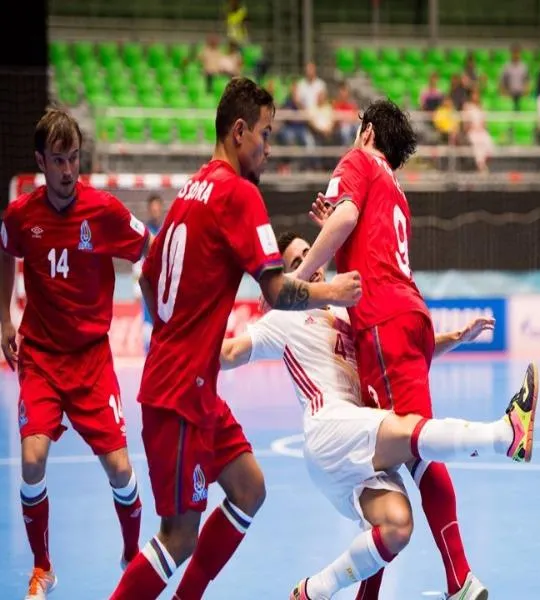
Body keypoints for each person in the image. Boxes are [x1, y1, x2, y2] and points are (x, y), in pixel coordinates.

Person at [108, 77, 362, 600]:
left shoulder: (187, 191)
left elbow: (149, 281)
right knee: (178, 537)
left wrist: (180, 333)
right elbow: (274, 292)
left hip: (191, 386)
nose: (269, 149)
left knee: (249, 488)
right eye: (266, 135)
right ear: (239, 130)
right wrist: (331, 290)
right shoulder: (238, 194)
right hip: (179, 393)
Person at [292, 100, 537, 599]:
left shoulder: (356, 162)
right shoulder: (394, 189)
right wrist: (334, 229)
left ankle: (461, 575)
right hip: (405, 319)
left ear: (367, 131)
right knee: (385, 458)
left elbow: (345, 225)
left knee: (415, 453)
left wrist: (292, 281)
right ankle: (424, 585)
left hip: (381, 322)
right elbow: (354, 235)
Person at [219, 231, 538, 600]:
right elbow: (230, 353)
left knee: (396, 527)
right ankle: (504, 436)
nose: (312, 266)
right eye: (296, 264)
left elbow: (395, 358)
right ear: (285, 282)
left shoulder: (346, 313)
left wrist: (454, 338)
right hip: (330, 429)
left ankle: (314, 591)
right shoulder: (284, 319)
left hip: (357, 441)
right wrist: (186, 345)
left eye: (310, 254)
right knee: (409, 429)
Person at [0, 108, 151, 599]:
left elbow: (146, 248)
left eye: (74, 160)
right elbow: (6, 249)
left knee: (122, 471)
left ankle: (131, 554)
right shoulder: (23, 214)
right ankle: (43, 567)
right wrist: (5, 318)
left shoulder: (104, 211)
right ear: (41, 161)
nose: (68, 171)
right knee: (32, 458)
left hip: (91, 359)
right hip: (41, 357)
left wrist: (160, 311)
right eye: (59, 161)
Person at [131, 194, 164, 353]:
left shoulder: (166, 230)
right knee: (148, 332)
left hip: (164, 289)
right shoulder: (144, 231)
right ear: (150, 210)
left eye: (158, 208)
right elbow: (136, 259)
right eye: (153, 208)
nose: (156, 211)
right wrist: (136, 287)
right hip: (147, 288)